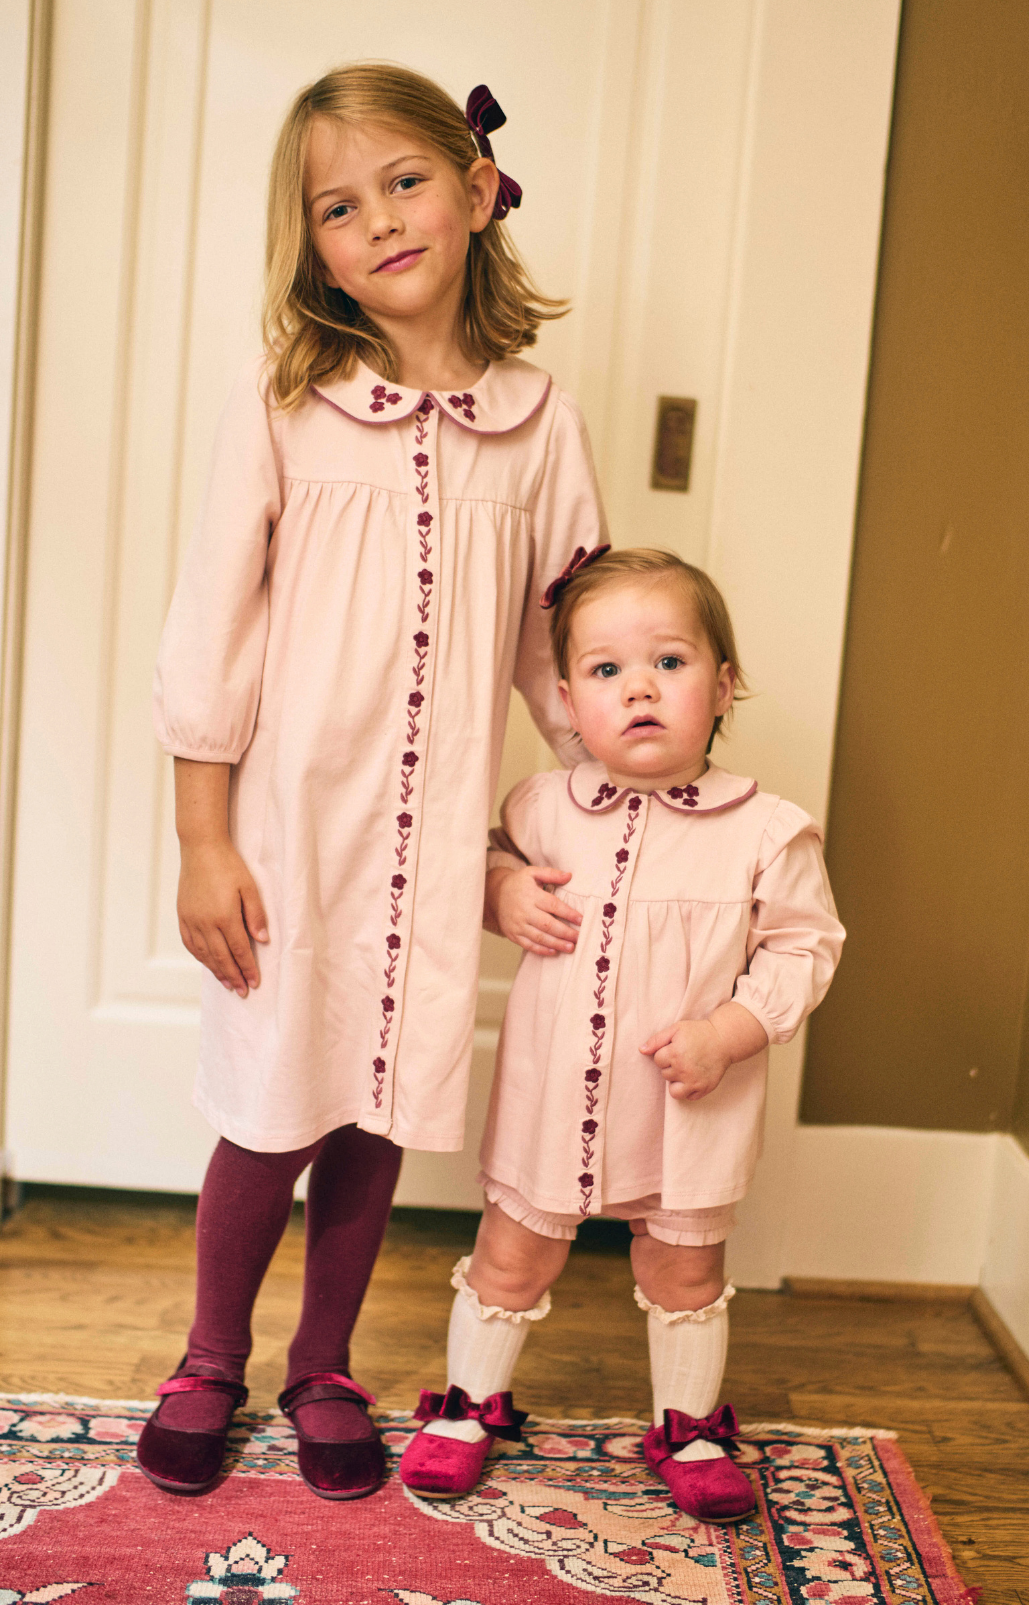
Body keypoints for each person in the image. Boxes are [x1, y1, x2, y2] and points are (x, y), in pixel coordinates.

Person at [137, 62, 605, 1502]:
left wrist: (610, 798)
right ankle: (211, 1354)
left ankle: (322, 1360)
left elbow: (560, 644)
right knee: (270, 1102)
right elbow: (210, 634)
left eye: (404, 182)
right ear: (312, 249)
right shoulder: (288, 403)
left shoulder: (537, 424)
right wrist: (201, 840)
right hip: (289, 834)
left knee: (376, 1102)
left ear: (475, 191)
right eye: (337, 207)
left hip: (430, 835)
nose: (379, 220)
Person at [399, 548, 845, 1521]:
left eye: (669, 663)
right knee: (511, 1251)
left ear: (723, 685)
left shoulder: (765, 831)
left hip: (689, 1101)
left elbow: (803, 947)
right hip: (552, 1094)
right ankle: (469, 1407)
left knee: (682, 1265)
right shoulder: (542, 807)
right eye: (605, 671)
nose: (637, 688)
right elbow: (464, 867)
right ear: (566, 699)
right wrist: (502, 890)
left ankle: (687, 1427)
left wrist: (731, 1028)